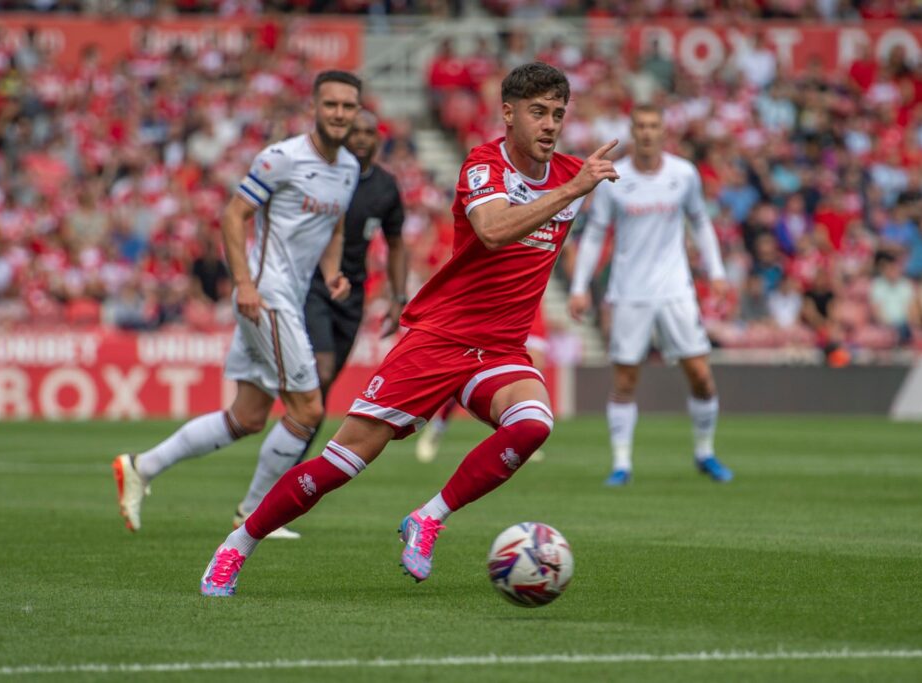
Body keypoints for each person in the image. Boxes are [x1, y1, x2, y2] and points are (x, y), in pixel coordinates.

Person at [198, 62, 619, 597]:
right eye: (538, 112)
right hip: (439, 338)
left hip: (499, 348)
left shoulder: (571, 175)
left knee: (533, 424)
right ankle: (238, 543)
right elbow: (490, 231)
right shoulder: (483, 166)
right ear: (508, 113)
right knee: (341, 462)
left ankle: (429, 517)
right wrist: (573, 189)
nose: (550, 125)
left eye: (558, 114)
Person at [111, 71, 362, 533]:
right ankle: (254, 512)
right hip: (264, 295)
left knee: (247, 417)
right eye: (331, 105)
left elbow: (336, 227)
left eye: (348, 106)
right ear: (314, 107)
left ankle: (141, 467)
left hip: (285, 296)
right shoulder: (281, 158)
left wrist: (331, 273)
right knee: (308, 410)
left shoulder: (348, 168)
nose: (340, 113)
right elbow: (233, 215)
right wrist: (244, 284)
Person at [230, 109, 408, 538]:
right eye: (357, 132)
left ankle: (286, 479)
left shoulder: (384, 186)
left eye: (371, 132)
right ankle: (275, 491)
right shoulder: (332, 177)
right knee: (317, 382)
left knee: (319, 395)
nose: (363, 139)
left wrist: (399, 297)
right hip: (310, 288)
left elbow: (397, 242)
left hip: (351, 295)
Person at [568, 105, 734, 486]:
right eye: (640, 126)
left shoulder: (683, 174)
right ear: (632, 131)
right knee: (625, 380)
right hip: (628, 292)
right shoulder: (616, 177)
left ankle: (705, 453)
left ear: (663, 131)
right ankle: (622, 463)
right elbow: (595, 234)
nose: (646, 132)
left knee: (701, 376)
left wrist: (718, 272)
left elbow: (700, 222)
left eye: (653, 126)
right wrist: (579, 288)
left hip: (676, 290)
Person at [414, 304, 547, 463]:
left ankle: (519, 433)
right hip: (498, 306)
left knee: (533, 368)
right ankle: (438, 427)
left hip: (529, 303)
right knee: (466, 373)